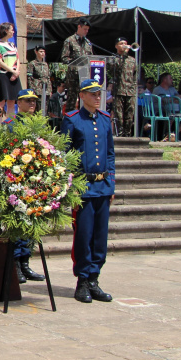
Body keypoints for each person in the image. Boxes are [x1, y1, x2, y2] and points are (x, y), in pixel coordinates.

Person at [62, 78, 115, 304]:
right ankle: (82, 280)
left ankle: (94, 278)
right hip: (83, 186)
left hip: (102, 186)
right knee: (83, 235)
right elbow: (65, 154)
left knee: (100, 236)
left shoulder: (104, 119)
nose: (97, 97)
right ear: (82, 96)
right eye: (92, 94)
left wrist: (111, 183)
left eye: (98, 94)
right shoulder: (72, 119)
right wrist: (71, 186)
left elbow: (110, 154)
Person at [1, 89, 46, 284]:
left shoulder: (38, 124)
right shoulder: (10, 124)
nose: (32, 104)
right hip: (17, 182)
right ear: (18, 103)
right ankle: (15, 263)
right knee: (18, 223)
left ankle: (25, 262)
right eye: (28, 101)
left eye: (34, 101)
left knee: (30, 223)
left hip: (34, 181)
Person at [60, 18, 92, 113]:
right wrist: (75, 62)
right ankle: (69, 119)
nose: (86, 31)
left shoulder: (88, 43)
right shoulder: (70, 40)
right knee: (72, 102)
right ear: (79, 27)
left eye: (87, 30)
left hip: (85, 76)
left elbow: (91, 58)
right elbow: (64, 58)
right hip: (73, 77)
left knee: (85, 100)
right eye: (85, 29)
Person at [107, 37, 137, 137]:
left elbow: (135, 75)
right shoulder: (114, 59)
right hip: (119, 90)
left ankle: (127, 134)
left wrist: (134, 88)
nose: (124, 45)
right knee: (119, 115)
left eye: (125, 43)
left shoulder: (132, 60)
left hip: (130, 91)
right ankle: (120, 135)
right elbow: (114, 70)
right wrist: (123, 55)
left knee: (129, 114)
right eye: (121, 43)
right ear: (116, 46)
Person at [0, 22, 21, 119]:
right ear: (6, 30)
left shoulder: (12, 45)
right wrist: (12, 71)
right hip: (3, 75)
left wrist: (16, 72)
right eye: (11, 30)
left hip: (14, 76)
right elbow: (0, 62)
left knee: (12, 102)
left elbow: (18, 59)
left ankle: (10, 124)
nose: (13, 32)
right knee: (1, 102)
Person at [27, 45, 50, 113]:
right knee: (38, 110)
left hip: (46, 90)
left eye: (44, 52)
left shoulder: (45, 64)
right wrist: (32, 89)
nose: (43, 53)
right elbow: (29, 78)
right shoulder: (32, 64)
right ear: (36, 52)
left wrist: (50, 90)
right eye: (41, 51)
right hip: (37, 89)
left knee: (45, 109)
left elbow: (48, 77)